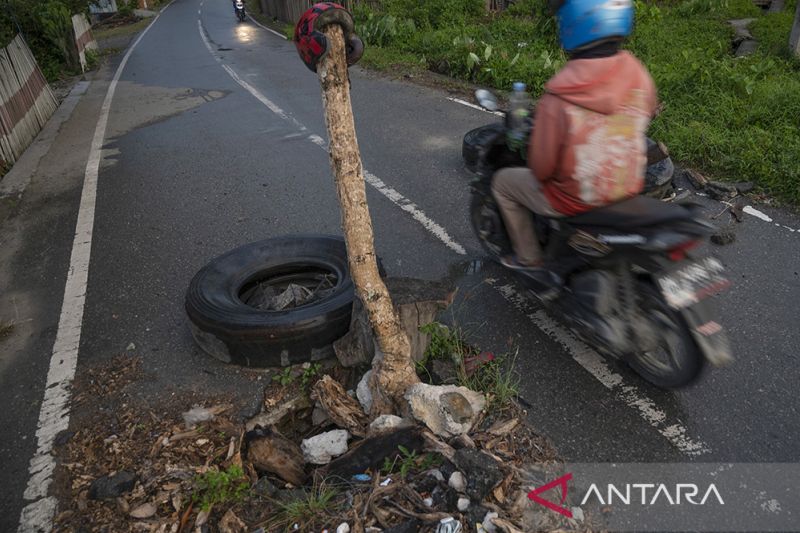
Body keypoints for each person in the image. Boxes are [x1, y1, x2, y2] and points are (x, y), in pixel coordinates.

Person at [492, 0, 658, 270]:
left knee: (503, 183)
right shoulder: (638, 73)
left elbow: (541, 169)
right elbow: (645, 116)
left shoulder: (559, 95)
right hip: (627, 186)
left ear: (572, 23)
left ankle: (529, 258)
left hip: (574, 199)